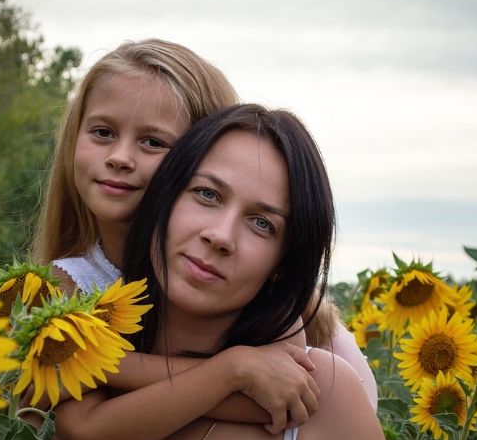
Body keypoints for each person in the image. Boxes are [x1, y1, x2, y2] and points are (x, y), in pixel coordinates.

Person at [5, 104, 408, 440]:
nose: (220, 235)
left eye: (262, 223)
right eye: (207, 195)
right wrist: (231, 370)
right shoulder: (63, 385)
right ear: (163, 201)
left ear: (282, 263)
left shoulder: (322, 391)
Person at [31, 38, 376, 419]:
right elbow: (62, 417)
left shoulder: (250, 301)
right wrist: (234, 371)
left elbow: (277, 402)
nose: (120, 158)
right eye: (102, 132)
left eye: (153, 141)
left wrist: (88, 366)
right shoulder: (64, 286)